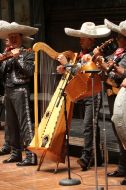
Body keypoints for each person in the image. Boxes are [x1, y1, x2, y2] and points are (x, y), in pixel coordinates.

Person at [56, 22, 111, 171]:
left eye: (84, 37)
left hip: (94, 92)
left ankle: (86, 158)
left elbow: (86, 72)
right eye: (80, 37)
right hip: (83, 92)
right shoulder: (79, 55)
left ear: (92, 40)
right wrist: (65, 68)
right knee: (91, 125)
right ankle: (97, 157)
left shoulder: (98, 55)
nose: (80, 39)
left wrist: (67, 65)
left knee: (88, 125)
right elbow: (78, 74)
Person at [0, 21, 38, 166]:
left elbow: (29, 71)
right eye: (11, 37)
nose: (13, 39)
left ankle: (30, 156)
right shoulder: (6, 54)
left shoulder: (28, 53)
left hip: (21, 90)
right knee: (11, 125)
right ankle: (16, 153)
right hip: (8, 90)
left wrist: (17, 59)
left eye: (16, 36)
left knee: (25, 124)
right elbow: (2, 73)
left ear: (21, 37)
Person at [93, 19, 126, 183]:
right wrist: (101, 64)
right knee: (119, 132)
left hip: (124, 96)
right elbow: (108, 73)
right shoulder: (117, 54)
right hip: (114, 96)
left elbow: (122, 73)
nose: (118, 39)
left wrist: (110, 67)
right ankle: (123, 167)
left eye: (120, 37)